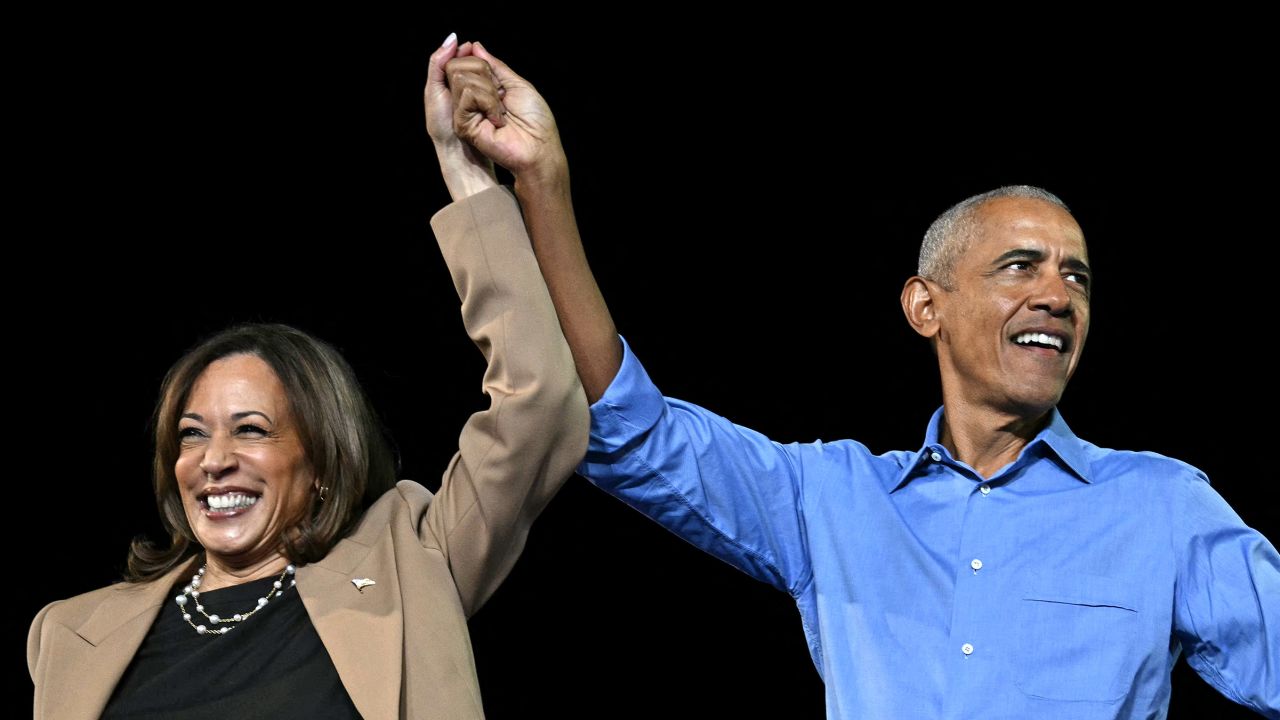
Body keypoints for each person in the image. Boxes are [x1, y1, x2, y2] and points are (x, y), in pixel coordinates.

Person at [442, 45, 1280, 718]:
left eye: (1079, 278)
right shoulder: (834, 501)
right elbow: (632, 428)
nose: (1056, 296)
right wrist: (542, 183)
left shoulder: (1162, 508)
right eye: (1021, 266)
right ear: (926, 307)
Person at [26, 33, 586, 720]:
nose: (214, 461)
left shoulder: (410, 566)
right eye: (192, 435)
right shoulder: (70, 634)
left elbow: (539, 405)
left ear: (321, 461)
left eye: (251, 430)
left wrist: (465, 172)